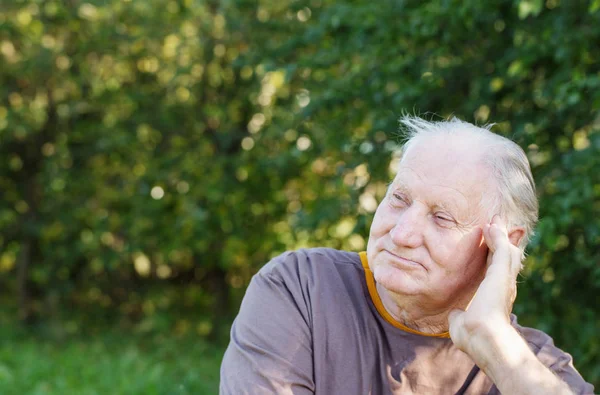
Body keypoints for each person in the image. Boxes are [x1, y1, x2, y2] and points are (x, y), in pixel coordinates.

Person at [220, 116, 594, 394]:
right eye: (398, 199)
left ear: (502, 245)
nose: (401, 233)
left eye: (442, 217)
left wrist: (496, 346)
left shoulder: (533, 369)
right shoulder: (301, 288)